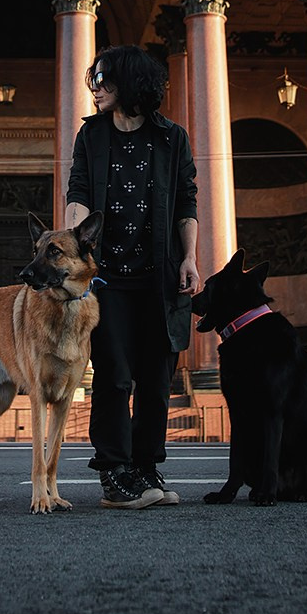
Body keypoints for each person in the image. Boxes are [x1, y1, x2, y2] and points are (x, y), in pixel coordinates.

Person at [65, 44, 199, 509]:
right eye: (95, 80)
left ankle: (145, 467)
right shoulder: (92, 135)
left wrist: (189, 258)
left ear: (130, 82)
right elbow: (79, 192)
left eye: (104, 79)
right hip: (107, 280)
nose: (96, 88)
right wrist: (73, 250)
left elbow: (186, 200)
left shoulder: (172, 137)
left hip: (158, 277)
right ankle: (114, 471)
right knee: (114, 376)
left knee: (157, 379)